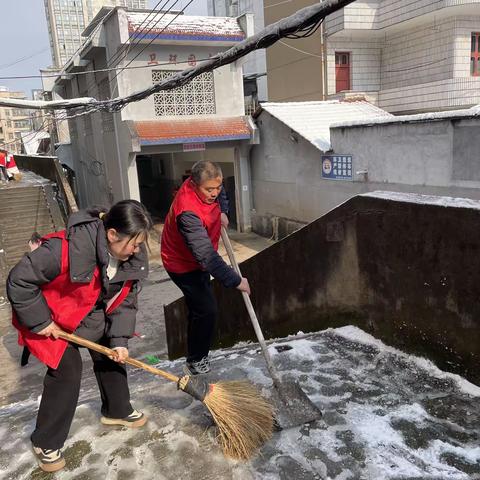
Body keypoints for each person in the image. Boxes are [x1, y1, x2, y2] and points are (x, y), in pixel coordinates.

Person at [7, 200, 153, 473]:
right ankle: (45, 441)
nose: (136, 250)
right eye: (133, 243)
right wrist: (41, 320)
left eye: (139, 244)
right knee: (67, 370)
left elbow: (124, 301)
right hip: (51, 317)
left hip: (89, 313)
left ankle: (116, 410)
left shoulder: (130, 257)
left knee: (111, 350)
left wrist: (120, 341)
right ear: (112, 234)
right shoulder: (64, 248)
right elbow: (19, 280)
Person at [161, 161, 250, 375]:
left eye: (217, 188)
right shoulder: (187, 211)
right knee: (207, 310)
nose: (214, 193)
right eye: (209, 190)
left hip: (198, 256)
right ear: (193, 184)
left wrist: (223, 211)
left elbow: (222, 195)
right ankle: (196, 360)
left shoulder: (213, 187)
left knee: (200, 309)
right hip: (181, 263)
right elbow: (206, 256)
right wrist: (236, 280)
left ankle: (194, 354)